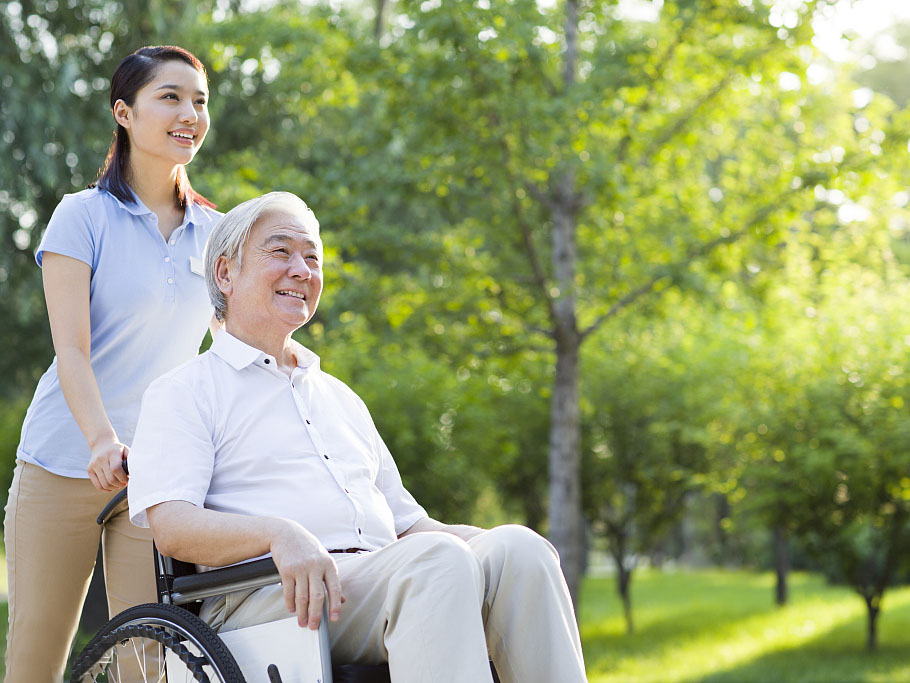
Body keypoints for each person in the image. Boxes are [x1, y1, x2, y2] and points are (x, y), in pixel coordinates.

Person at [126, 191, 588, 683]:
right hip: (268, 597)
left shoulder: (340, 398)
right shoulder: (185, 390)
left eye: (312, 257)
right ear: (225, 274)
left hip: (380, 577)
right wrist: (278, 533)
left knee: (521, 550)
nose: (302, 270)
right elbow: (172, 526)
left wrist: (489, 542)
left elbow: (410, 528)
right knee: (434, 563)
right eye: (281, 252)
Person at [4, 46, 221, 681]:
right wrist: (102, 439)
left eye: (200, 101)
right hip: (63, 461)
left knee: (147, 664)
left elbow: (235, 343)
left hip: (154, 475)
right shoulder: (81, 216)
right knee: (35, 661)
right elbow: (70, 348)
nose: (190, 114)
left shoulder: (217, 232)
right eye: (171, 97)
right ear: (124, 113)